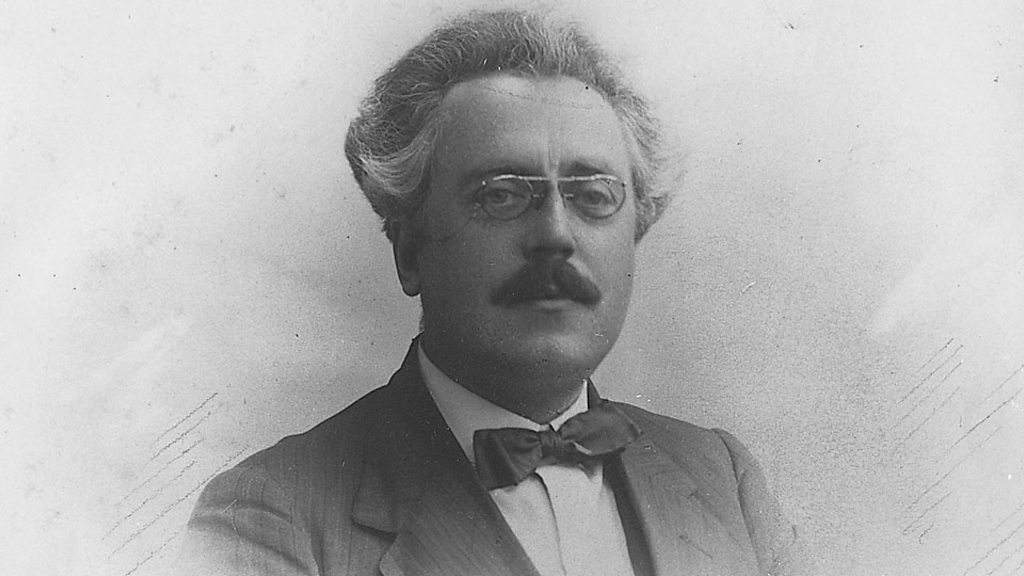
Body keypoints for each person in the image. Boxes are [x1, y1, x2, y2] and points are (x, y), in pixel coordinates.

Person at [181, 8, 804, 576]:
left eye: (593, 196)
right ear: (409, 251)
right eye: (501, 195)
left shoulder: (724, 481)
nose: (556, 235)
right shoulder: (269, 519)